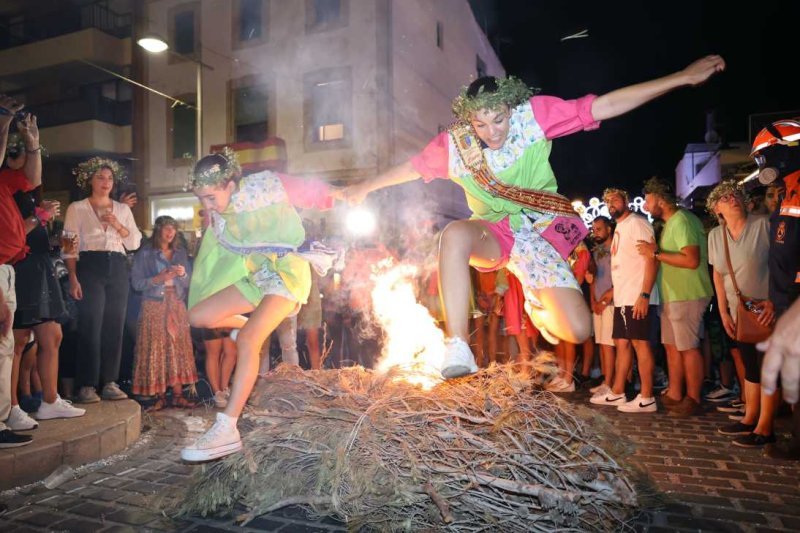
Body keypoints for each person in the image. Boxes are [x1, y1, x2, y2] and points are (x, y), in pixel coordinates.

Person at [339, 55, 725, 379]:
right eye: (480, 124)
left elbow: (603, 106)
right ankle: (457, 346)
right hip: (495, 233)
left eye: (498, 120)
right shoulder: (456, 146)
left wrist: (681, 77)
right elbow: (410, 167)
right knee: (454, 235)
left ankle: (536, 308)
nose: (491, 133)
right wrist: (363, 187)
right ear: (469, 121)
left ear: (510, 108)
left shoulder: (534, 118)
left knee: (578, 329)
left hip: (540, 236)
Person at [180, 148, 336, 462]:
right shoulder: (220, 218)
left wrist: (344, 193)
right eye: (201, 199)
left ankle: (227, 427)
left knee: (249, 340)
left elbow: (300, 187)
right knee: (197, 316)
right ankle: (250, 329)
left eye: (210, 197)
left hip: (286, 274)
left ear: (230, 186)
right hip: (258, 277)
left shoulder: (259, 187)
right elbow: (217, 258)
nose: (207, 206)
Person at [63, 157, 142, 403]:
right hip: (90, 265)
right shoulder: (77, 208)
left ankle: (110, 381)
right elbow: (69, 246)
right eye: (100, 177)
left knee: (114, 325)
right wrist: (73, 277)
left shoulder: (122, 209)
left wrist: (117, 224)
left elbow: (134, 242)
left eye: (109, 178)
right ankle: (87, 384)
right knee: (90, 324)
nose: (105, 182)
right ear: (90, 180)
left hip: (117, 265)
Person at [638, 177, 713, 417]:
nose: (645, 206)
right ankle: (675, 393)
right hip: (672, 295)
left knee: (688, 347)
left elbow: (691, 260)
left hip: (688, 293)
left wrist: (656, 253)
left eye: (648, 200)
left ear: (660, 199)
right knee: (671, 346)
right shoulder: (671, 222)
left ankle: (694, 398)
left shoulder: (682, 220)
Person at [704, 181, 773, 445]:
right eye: (724, 198)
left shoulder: (763, 225)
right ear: (716, 209)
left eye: (735, 194)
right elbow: (718, 275)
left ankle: (766, 428)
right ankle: (750, 418)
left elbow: (782, 265)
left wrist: (775, 301)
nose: (731, 198)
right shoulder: (715, 235)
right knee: (750, 366)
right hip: (739, 312)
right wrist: (723, 312)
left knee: (768, 368)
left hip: (767, 309)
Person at [591, 188, 659, 413]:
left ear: (626, 201)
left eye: (615, 199)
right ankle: (618, 391)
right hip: (622, 297)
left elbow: (652, 259)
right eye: (607, 201)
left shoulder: (637, 223)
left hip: (637, 296)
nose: (611, 203)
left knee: (640, 343)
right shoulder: (620, 227)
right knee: (621, 343)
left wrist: (645, 295)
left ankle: (647, 397)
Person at [1, 95, 38, 447]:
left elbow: (32, 177)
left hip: (9, 268)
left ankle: (3, 418)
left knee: (6, 348)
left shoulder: (5, 183)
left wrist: (33, 144)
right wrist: (4, 118)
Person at [130, 215, 197, 410]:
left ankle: (177, 395)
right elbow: (136, 283)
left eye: (173, 229)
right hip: (154, 304)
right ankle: (159, 396)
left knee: (178, 348)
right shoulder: (145, 253)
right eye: (167, 228)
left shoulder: (180, 252)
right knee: (157, 348)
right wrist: (158, 278)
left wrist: (183, 274)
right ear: (158, 230)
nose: (170, 232)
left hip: (176, 303)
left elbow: (189, 282)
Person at [588, 216, 617, 401]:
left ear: (608, 229)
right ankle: (606, 380)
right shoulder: (597, 251)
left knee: (608, 344)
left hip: (611, 302)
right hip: (598, 302)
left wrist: (604, 301)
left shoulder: (615, 249)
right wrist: (593, 300)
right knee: (602, 344)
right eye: (594, 230)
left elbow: (619, 278)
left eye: (599, 229)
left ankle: (611, 383)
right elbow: (593, 278)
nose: (596, 233)